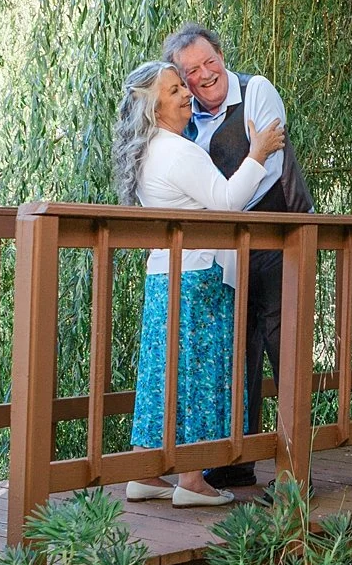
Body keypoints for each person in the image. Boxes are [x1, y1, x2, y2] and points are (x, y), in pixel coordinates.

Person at [112, 59, 287, 507]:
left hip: (164, 275)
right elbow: (228, 202)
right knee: (199, 374)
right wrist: (259, 153)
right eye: (174, 90)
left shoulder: (150, 151)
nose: (187, 93)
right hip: (199, 276)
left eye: (182, 86)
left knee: (163, 374)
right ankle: (191, 480)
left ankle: (144, 472)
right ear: (154, 108)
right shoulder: (178, 150)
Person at [164, 24, 315, 489]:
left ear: (221, 55)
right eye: (191, 71)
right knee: (233, 353)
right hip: (223, 252)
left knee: (281, 348)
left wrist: (220, 200)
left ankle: (296, 474)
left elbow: (267, 167)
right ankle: (235, 460)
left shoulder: (256, 91)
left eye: (210, 61)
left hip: (279, 240)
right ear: (182, 79)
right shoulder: (184, 123)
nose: (205, 75)